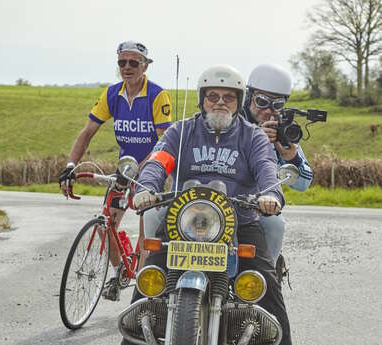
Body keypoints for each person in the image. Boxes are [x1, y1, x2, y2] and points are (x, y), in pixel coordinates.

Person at [124, 65, 292, 345]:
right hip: (182, 224)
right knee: (148, 286)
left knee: (267, 288)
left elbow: (266, 168)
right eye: (213, 96)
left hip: (240, 221)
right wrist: (148, 187)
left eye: (229, 97)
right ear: (202, 100)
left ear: (239, 102)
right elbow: (159, 160)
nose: (220, 103)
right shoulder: (181, 131)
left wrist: (271, 195)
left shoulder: (253, 136)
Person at [59, 40, 172, 301]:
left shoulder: (157, 95)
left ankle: (143, 295)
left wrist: (142, 170)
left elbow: (164, 142)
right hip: (125, 169)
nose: (128, 67)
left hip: (152, 170)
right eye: (123, 62)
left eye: (134, 63)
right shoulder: (112, 94)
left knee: (147, 236)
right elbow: (87, 132)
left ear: (145, 66)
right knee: (104, 223)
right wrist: (70, 166)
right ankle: (120, 270)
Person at [241, 64, 313, 266]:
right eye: (262, 101)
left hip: (258, 205)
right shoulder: (234, 122)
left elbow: (304, 184)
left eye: (277, 104)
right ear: (249, 97)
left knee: (275, 224)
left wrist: (291, 158)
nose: (268, 111)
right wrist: (255, 139)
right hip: (225, 196)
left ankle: (267, 276)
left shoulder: (282, 132)